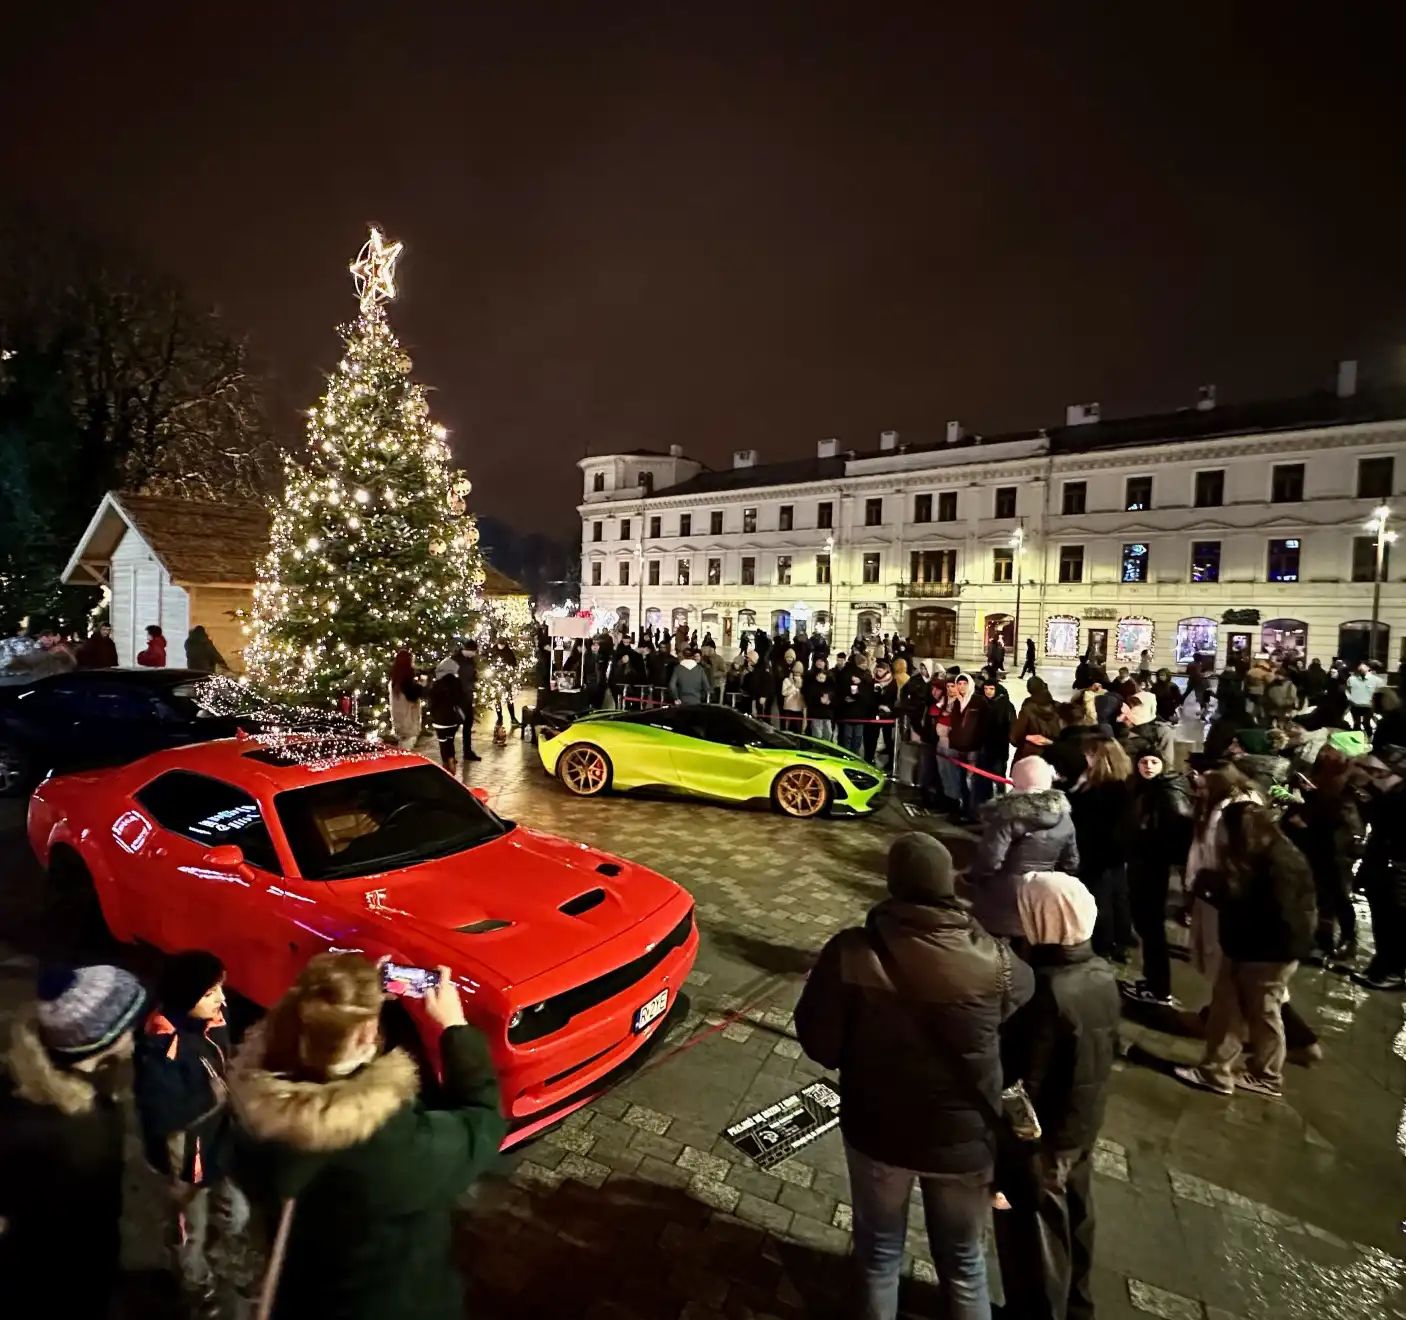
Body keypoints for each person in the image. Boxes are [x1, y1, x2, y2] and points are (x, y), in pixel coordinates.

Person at [794, 834, 1034, 1320]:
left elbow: (819, 1042)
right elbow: (1019, 1015)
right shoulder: (999, 961)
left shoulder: (851, 951)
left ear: (894, 882)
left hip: (878, 1130)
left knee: (879, 1254)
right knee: (965, 1263)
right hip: (964, 1138)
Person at [229, 952, 507, 1319]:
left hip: (305, 1296)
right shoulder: (386, 1145)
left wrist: (349, 998)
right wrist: (454, 1027)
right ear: (365, 1033)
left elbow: (288, 1038)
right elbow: (483, 1124)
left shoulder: (252, 1108)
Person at [996, 873, 1121, 1320]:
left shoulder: (1043, 990)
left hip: (1044, 1139)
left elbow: (1020, 1086)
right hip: (1081, 1123)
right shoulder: (1100, 972)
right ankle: (1078, 1307)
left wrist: (1017, 1148)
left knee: (1036, 1238)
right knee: (1078, 1217)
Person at [0, 964, 147, 1318]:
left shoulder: (36, 1088)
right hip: (55, 1283)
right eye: (131, 1025)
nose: (138, 1032)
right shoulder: (73, 1130)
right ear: (104, 1039)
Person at [1176, 801, 1316, 1097]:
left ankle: (1262, 1075)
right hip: (1248, 948)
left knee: (1262, 1012)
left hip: (1264, 954)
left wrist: (1219, 892)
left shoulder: (1279, 861)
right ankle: (1218, 1070)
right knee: (1229, 1010)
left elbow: (1276, 913)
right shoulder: (1263, 853)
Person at [134, 951, 248, 1313]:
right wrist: (184, 1180)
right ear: (187, 995)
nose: (222, 1000)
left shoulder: (213, 1019)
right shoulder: (161, 1048)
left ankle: (214, 1249)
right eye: (211, 992)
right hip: (190, 1159)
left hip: (219, 1142)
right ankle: (194, 1280)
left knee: (237, 1212)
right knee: (190, 1227)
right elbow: (168, 1121)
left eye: (221, 989)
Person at [967, 755, 1080, 943]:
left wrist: (971, 877)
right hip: (1040, 895)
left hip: (1002, 895)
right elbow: (1071, 862)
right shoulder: (1064, 818)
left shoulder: (1007, 815)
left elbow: (991, 860)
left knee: (996, 948)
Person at [1122, 753, 1194, 1005]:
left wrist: (1155, 850)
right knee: (1146, 926)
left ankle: (1158, 989)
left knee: (1151, 928)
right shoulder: (1144, 787)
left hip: (1152, 866)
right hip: (1143, 863)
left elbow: (1179, 831)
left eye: (1154, 762)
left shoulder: (1168, 791)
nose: (1148, 767)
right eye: (1143, 762)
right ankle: (1152, 982)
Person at [1281, 748, 1363, 962]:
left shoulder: (1348, 781)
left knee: (1336, 893)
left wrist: (1308, 810)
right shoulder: (1323, 775)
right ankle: (1321, 939)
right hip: (1317, 840)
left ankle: (1346, 939)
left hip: (1335, 844)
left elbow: (1343, 812)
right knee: (1319, 892)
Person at [1067, 736, 1135, 961]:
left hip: (1098, 851)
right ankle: (1121, 939)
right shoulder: (1122, 783)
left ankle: (1103, 944)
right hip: (1115, 853)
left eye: (1089, 754)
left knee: (1101, 898)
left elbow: (1087, 816)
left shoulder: (1102, 788)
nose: (1085, 758)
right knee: (1119, 896)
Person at [1353, 749, 1406, 990]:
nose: (1372, 777)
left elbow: (1387, 827)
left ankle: (1393, 971)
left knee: (1393, 922)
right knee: (1383, 921)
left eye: (1377, 772)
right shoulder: (1389, 795)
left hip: (1396, 869)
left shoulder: (1398, 798)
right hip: (1383, 867)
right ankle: (1381, 966)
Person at [946, 673, 988, 820]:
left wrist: (978, 742)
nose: (961, 687)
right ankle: (961, 808)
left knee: (971, 781)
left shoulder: (979, 702)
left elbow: (984, 725)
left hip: (973, 748)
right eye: (959, 684)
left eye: (964, 684)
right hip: (958, 747)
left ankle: (972, 811)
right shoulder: (957, 702)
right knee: (960, 780)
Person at [1009, 676, 1061, 766]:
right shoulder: (1059, 708)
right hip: (1055, 760)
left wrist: (1027, 737)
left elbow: (1015, 737)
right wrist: (1050, 742)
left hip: (1031, 759)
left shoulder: (1027, 710)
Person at [429, 657, 468, 776]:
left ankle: (446, 763)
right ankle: (452, 758)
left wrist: (433, 714)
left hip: (440, 719)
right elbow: (461, 699)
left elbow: (432, 702)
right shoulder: (457, 682)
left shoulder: (437, 684)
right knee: (450, 739)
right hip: (453, 719)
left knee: (443, 742)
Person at [1119, 691, 1175, 765]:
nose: (1134, 708)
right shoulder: (1123, 725)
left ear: (1149, 706)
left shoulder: (1162, 730)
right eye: (1132, 704)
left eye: (1138, 704)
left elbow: (1166, 760)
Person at [388, 649, 425, 749]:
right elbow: (413, 695)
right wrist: (422, 684)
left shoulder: (395, 680)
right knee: (406, 749)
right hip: (408, 722)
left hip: (399, 721)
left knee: (403, 746)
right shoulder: (406, 682)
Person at [870, 659, 899, 768]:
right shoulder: (874, 681)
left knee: (888, 738)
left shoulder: (892, 682)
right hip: (876, 712)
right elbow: (873, 697)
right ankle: (870, 758)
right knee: (873, 737)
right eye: (877, 671)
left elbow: (893, 697)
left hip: (888, 713)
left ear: (886, 671)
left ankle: (891, 761)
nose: (878, 673)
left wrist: (888, 707)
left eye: (881, 671)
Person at [456, 639, 482, 762]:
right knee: (454, 726)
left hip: (468, 696)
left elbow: (471, 676)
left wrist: (475, 676)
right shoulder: (455, 660)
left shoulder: (470, 661)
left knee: (468, 725)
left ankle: (468, 751)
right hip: (457, 698)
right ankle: (449, 755)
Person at [491, 637, 521, 729]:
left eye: (503, 645)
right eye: (500, 644)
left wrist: (510, 672)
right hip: (495, 679)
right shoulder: (493, 651)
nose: (501, 646)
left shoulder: (509, 652)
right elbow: (488, 662)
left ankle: (512, 718)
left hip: (506, 679)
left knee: (509, 699)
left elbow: (514, 664)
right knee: (497, 699)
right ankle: (499, 718)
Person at [1346, 662, 1382, 732]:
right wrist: (1349, 698)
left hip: (1366, 706)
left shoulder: (1375, 680)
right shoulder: (1351, 679)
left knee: (1365, 724)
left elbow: (1379, 692)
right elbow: (1348, 690)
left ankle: (1366, 736)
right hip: (1357, 705)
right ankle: (1359, 735)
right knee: (1358, 724)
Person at [781, 659, 807, 724]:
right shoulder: (787, 680)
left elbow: (804, 694)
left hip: (799, 708)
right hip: (788, 708)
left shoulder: (804, 681)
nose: (797, 674)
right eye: (795, 672)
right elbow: (784, 693)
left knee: (797, 728)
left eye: (799, 673)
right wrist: (794, 686)